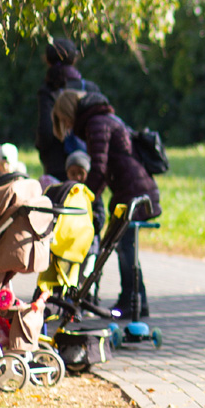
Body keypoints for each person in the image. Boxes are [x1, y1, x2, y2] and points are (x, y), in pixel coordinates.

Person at [51, 89, 160, 318]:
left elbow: (98, 168)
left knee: (125, 246)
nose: (67, 125)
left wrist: (85, 199)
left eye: (65, 119)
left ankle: (132, 300)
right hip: (133, 189)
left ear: (70, 112)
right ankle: (136, 299)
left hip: (133, 191)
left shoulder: (96, 124)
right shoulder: (101, 119)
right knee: (124, 246)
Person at [35, 38, 101, 181]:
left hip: (57, 165)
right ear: (74, 59)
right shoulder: (90, 88)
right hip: (86, 163)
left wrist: (42, 150)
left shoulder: (47, 90)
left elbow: (46, 130)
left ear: (47, 60)